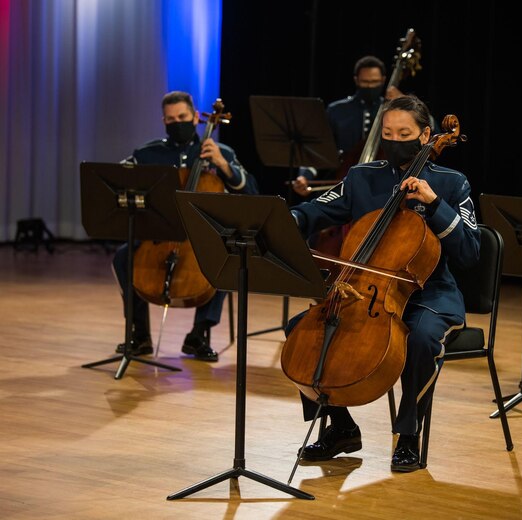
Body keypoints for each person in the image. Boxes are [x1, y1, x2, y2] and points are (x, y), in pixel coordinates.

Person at [285, 95, 480, 471]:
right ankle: (341, 428)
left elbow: (471, 251)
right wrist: (289, 218)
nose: (394, 140)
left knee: (421, 339)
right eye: (387, 133)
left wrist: (435, 204)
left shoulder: (452, 183)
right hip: (364, 289)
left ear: (426, 135)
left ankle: (407, 435)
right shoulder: (362, 177)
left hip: (429, 292)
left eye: (403, 133)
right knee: (301, 331)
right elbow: (317, 209)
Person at [112, 90, 258, 362]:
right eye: (170, 119)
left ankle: (199, 334)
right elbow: (118, 179)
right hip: (159, 233)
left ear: (195, 118)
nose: (176, 122)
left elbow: (250, 191)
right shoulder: (148, 153)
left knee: (228, 259)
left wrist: (223, 166)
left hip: (205, 235)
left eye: (182, 116)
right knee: (123, 257)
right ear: (163, 121)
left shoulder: (220, 151)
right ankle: (139, 334)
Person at [291, 55, 403, 198]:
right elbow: (318, 150)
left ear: (383, 80)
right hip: (342, 182)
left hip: (384, 186)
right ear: (356, 80)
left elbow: (429, 130)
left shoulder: (394, 110)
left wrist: (404, 101)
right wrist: (304, 176)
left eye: (374, 82)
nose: (369, 87)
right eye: (365, 82)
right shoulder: (337, 110)